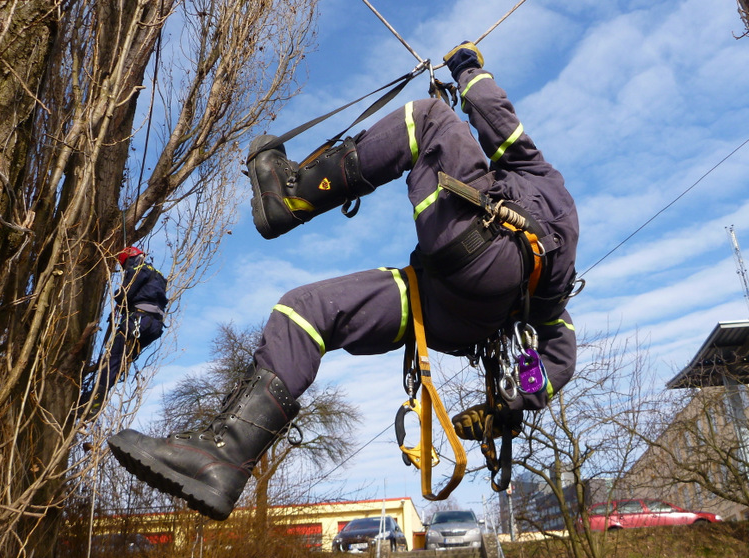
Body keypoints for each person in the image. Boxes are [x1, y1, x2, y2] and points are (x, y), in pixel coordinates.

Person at [108, 42, 579, 520]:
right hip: (451, 313)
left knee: (429, 119)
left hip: (482, 254)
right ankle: (224, 458)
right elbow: (561, 353)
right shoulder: (556, 285)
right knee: (304, 311)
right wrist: (508, 406)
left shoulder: (537, 174)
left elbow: (494, 115)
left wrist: (467, 67)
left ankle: (290, 195)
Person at [77, 247, 167, 420]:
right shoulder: (158, 275)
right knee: (120, 362)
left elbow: (125, 293)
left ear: (129, 259)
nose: (125, 269)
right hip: (154, 326)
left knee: (113, 360)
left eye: (124, 265)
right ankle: (94, 400)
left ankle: (92, 403)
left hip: (138, 320)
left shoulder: (137, 269)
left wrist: (118, 297)